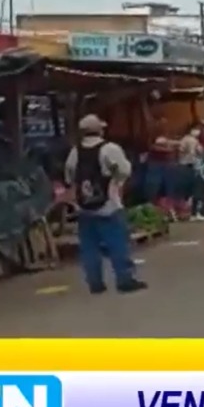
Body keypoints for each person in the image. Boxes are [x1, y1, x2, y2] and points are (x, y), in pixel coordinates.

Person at [64, 114, 147, 294]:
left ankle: (95, 283)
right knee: (117, 243)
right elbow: (125, 170)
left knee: (89, 247)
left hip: (84, 207)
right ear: (100, 130)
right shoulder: (110, 149)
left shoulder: (75, 151)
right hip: (109, 205)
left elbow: (69, 176)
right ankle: (124, 280)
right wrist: (116, 182)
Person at [177, 123, 204, 221]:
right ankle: (194, 213)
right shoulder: (192, 141)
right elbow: (196, 153)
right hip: (192, 167)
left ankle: (187, 213)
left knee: (187, 191)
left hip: (184, 166)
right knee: (196, 190)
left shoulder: (184, 139)